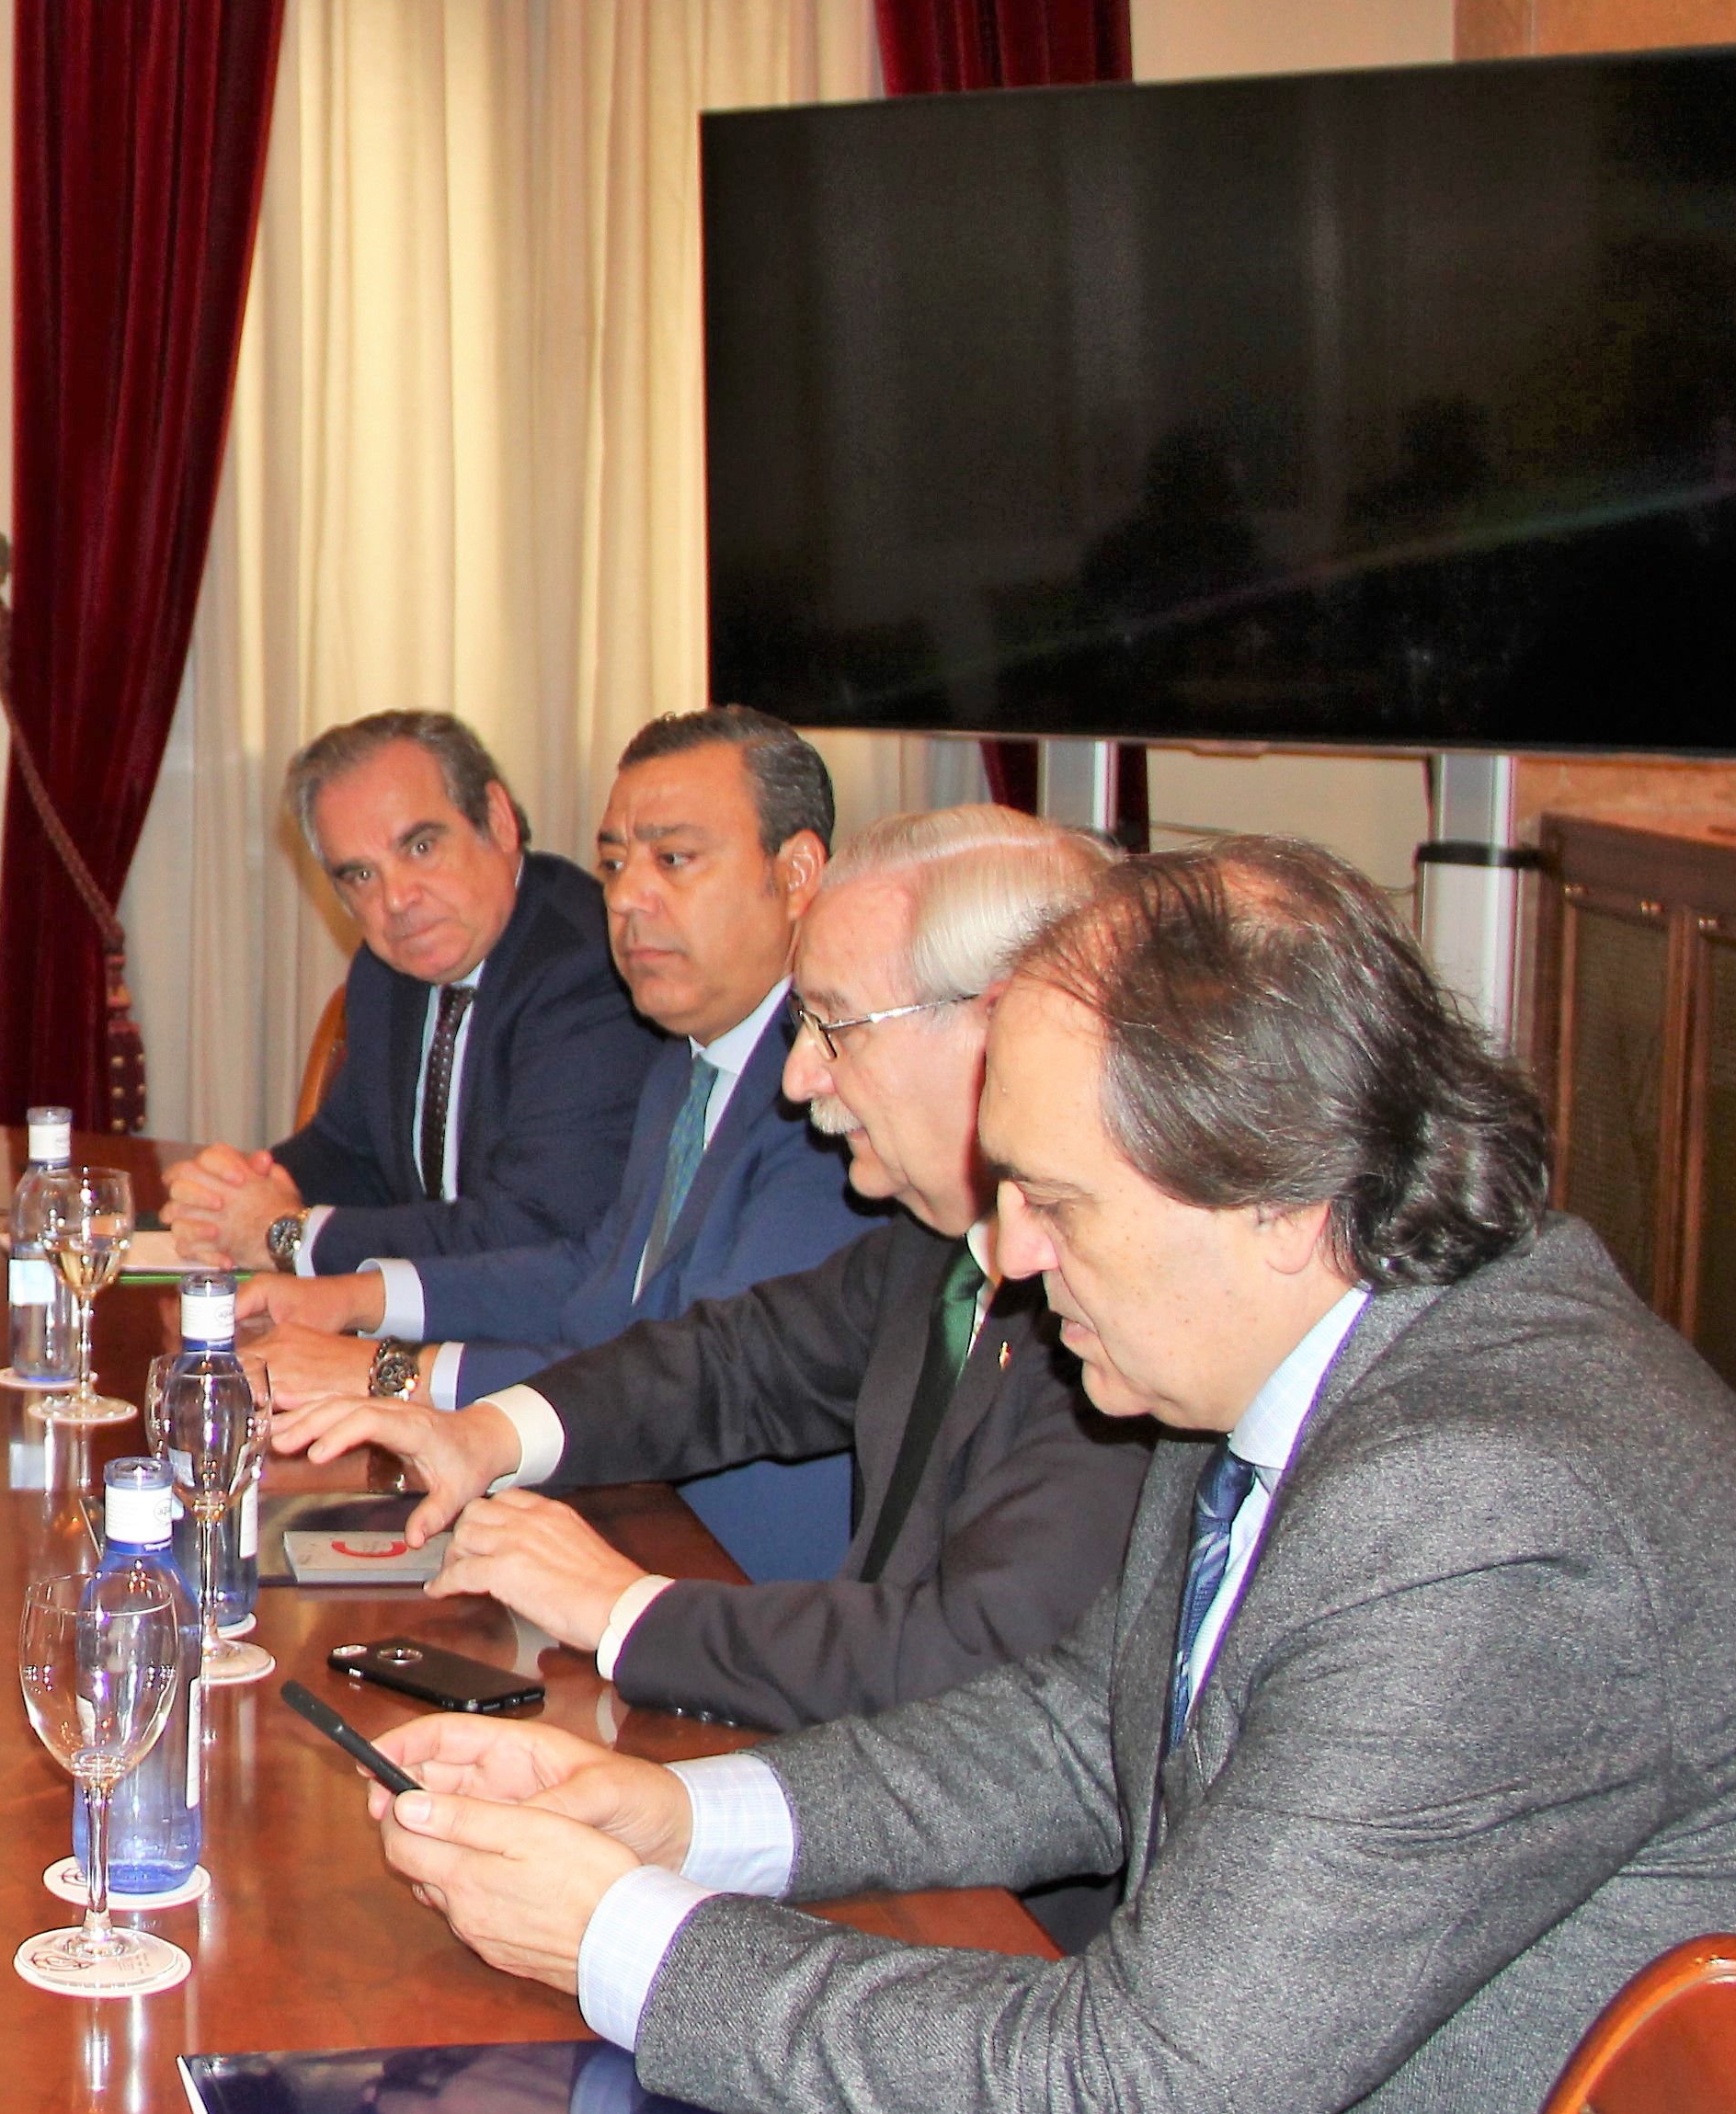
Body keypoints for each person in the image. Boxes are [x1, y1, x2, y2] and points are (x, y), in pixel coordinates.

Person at [350, 840, 1736, 2114]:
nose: (1002, 1255)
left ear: (1277, 1197)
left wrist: (622, 1942)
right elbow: (1086, 1720)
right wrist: (675, 1823)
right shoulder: (1307, 1345)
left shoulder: (1490, 1502)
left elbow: (1128, 2112)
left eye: (1053, 1199)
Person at [277, 806, 1148, 1733]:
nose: (798, 1077)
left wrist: (621, 1606)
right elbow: (733, 1363)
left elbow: (969, 1656)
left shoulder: (1115, 1313)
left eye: (835, 1027)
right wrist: (488, 1433)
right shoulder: (934, 1246)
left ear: (998, 1023)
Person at [246, 710, 883, 1581]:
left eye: (673, 859)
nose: (625, 898)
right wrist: (360, 1303)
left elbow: (691, 1373)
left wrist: (392, 1373)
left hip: (730, 1580)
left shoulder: (835, 1095)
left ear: (797, 872)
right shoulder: (685, 1060)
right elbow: (590, 1276)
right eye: (614, 862)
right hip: (611, 1518)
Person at [162, 711, 656, 1281]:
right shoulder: (386, 969)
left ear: (496, 821)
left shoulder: (588, 970)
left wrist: (288, 1234)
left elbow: (532, 1230)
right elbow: (352, 1150)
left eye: (420, 847)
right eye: (361, 876)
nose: (396, 900)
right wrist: (249, 1189)